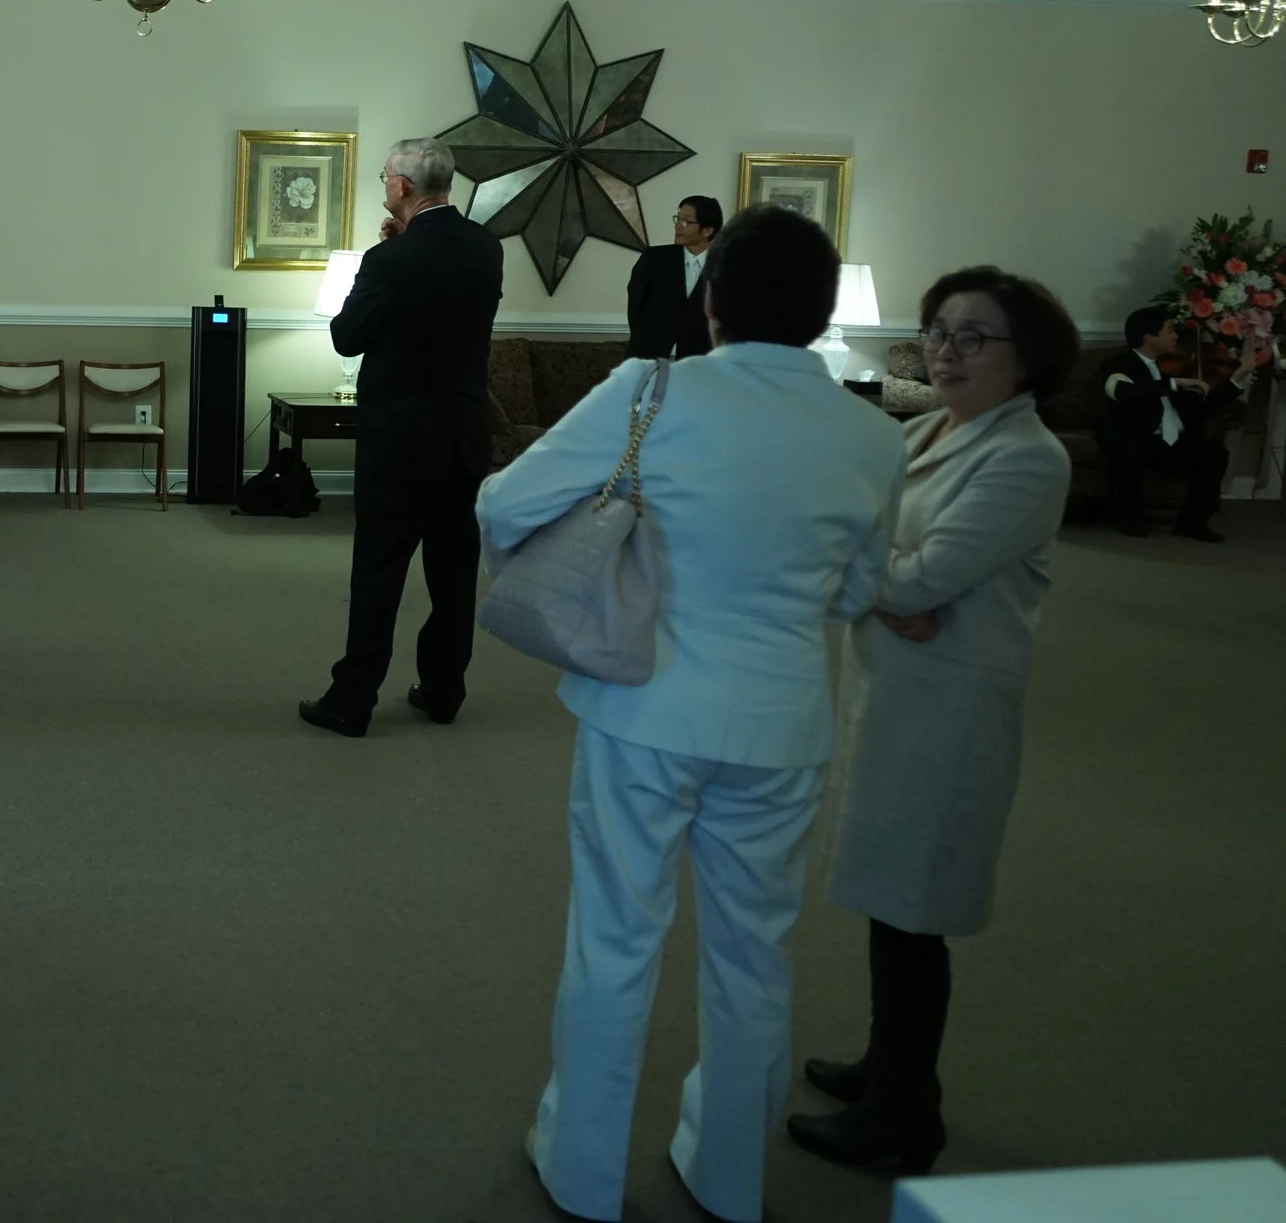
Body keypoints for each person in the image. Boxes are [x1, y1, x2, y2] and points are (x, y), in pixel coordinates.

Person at [479, 206, 904, 1223]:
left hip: (643, 706)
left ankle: (581, 1171)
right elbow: (857, 593)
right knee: (755, 955)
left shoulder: (651, 389)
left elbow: (502, 503)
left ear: (711, 298)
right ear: (822, 312)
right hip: (783, 724)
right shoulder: (875, 435)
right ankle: (728, 1175)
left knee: (615, 937)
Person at [788, 268, 1078, 1175]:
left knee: (916, 913)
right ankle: (888, 1066)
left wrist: (889, 583)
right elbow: (850, 543)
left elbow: (915, 577)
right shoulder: (919, 431)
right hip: (893, 691)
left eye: (972, 337)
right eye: (938, 332)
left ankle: (906, 1114)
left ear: (1027, 358)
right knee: (891, 899)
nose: (945, 352)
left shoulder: (1028, 457)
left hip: (950, 713)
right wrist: (891, 585)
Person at [297, 136, 502, 737]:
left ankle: (352, 699)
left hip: (400, 441)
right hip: (464, 435)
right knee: (454, 571)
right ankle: (443, 691)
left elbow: (346, 337)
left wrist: (387, 254)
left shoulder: (389, 259)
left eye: (385, 175)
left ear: (403, 186)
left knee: (379, 570)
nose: (384, 184)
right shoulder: (486, 248)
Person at [1100, 304, 1257, 541]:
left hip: (1172, 440)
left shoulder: (1168, 368)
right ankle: (1131, 518)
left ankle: (1192, 523)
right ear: (1149, 337)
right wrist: (1177, 384)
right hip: (1137, 438)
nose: (1175, 336)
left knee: (1214, 454)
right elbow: (1123, 391)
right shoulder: (1119, 363)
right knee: (1125, 452)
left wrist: (1239, 375)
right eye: (1170, 330)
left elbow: (1202, 408)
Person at [626, 194, 722, 360]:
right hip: (648, 357)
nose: (678, 226)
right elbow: (635, 305)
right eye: (678, 219)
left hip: (700, 361)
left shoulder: (726, 267)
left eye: (686, 221)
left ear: (707, 230)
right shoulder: (653, 258)